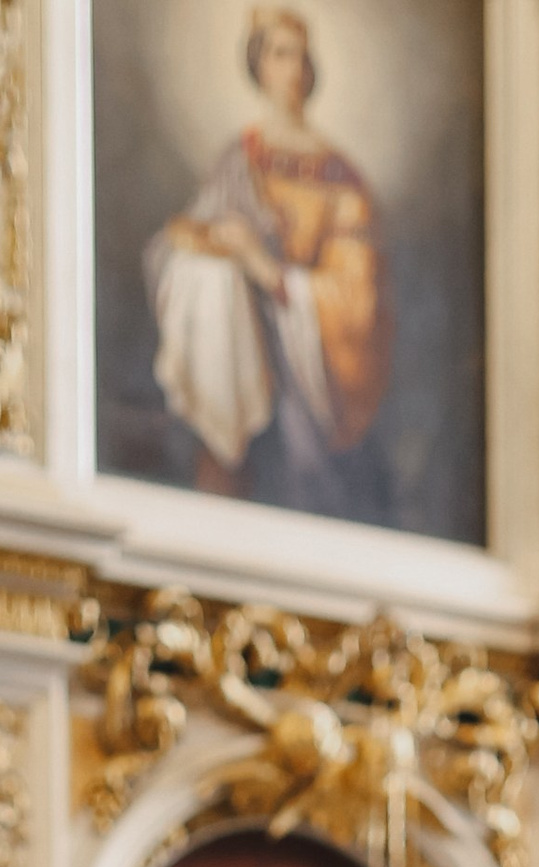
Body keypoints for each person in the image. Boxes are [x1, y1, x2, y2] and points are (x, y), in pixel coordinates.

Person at [144, 4, 389, 515]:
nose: (292, 69)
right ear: (259, 64)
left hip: (307, 367)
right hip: (238, 352)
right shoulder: (241, 157)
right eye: (280, 55)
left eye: (300, 56)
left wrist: (266, 270)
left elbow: (354, 299)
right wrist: (212, 247)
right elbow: (184, 240)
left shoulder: (339, 176)